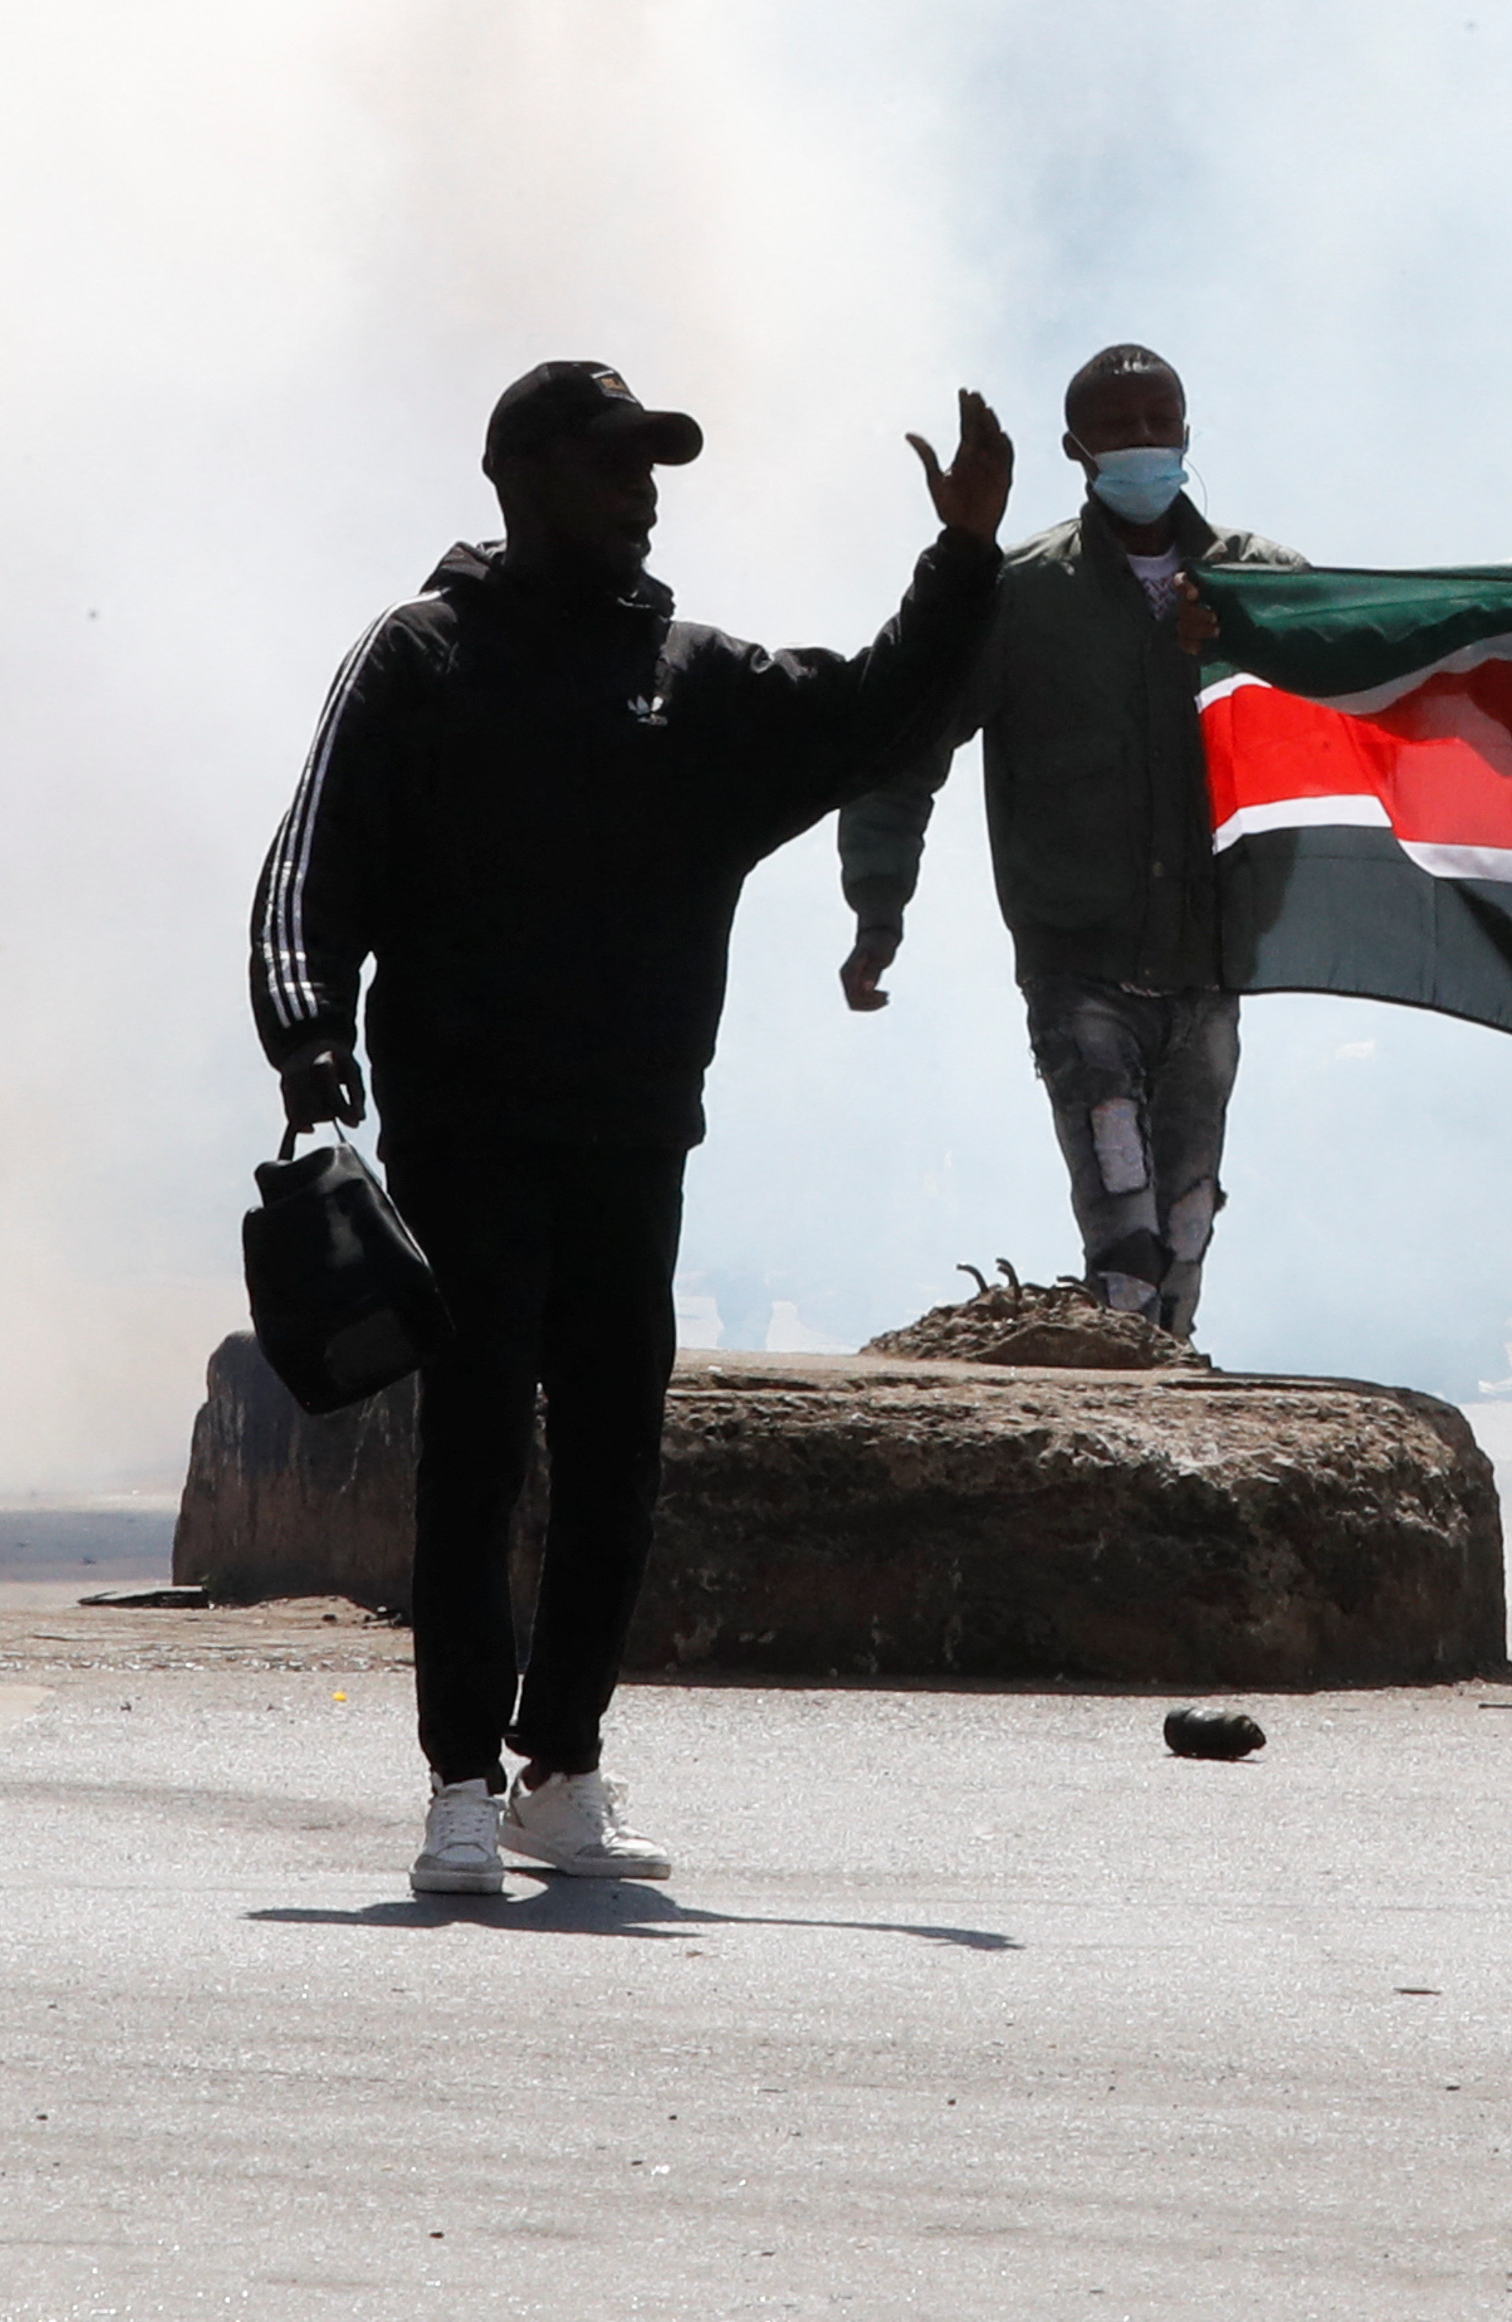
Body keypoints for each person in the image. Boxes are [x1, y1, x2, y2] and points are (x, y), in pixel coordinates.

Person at [251, 358, 1011, 1896]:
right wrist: (318, 1078)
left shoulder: (700, 676)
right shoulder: (423, 656)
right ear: (519, 479)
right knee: (473, 1453)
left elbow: (874, 714)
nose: (642, 490)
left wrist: (964, 552)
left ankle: (562, 1765)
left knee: (615, 1455)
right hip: (463, 1138)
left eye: (652, 465)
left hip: (634, 1137)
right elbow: (303, 881)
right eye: (612, 465)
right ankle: (460, 1779)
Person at [835, 344, 1307, 1342]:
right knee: (1124, 1219)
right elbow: (902, 741)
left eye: (1157, 420)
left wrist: (1239, 644)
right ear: (1073, 447)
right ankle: (1125, 1373)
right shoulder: (1020, 595)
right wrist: (879, 908)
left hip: (1210, 959)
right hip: (1078, 961)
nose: (1140, 442)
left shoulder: (1264, 585)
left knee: (1186, 1221)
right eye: (1116, 425)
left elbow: (1353, 703)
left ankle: (1159, 1401)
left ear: (1187, 430)